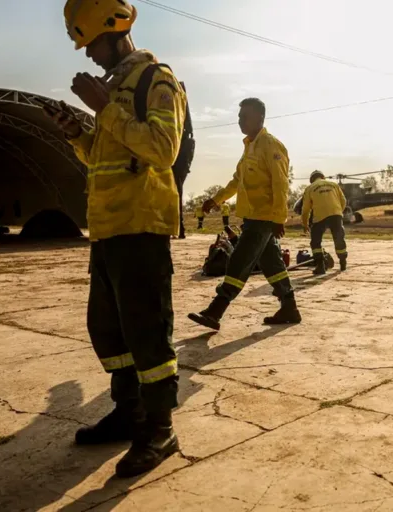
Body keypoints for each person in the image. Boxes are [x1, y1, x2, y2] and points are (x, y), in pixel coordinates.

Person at [52, 0, 183, 478]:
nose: (87, 55)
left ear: (117, 28)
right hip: (107, 230)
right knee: (107, 331)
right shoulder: (113, 89)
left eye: (92, 43)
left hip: (141, 227)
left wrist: (106, 111)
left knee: (148, 334)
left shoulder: (155, 80)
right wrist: (78, 135)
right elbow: (107, 159)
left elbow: (162, 151)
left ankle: (161, 429)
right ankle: (130, 411)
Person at [188, 98, 301, 331]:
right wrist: (215, 200)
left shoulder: (271, 145)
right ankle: (289, 307)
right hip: (253, 218)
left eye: (244, 116)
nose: (239, 121)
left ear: (260, 118)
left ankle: (215, 311)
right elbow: (236, 182)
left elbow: (281, 185)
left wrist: (279, 219)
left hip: (263, 218)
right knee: (272, 264)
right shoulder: (249, 147)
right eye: (239, 117)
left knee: (239, 262)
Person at [302, 170, 348, 274]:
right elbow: (344, 201)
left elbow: (305, 210)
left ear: (312, 180)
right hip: (336, 214)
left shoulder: (310, 188)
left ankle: (320, 267)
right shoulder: (334, 185)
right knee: (339, 238)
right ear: (323, 177)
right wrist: (338, 212)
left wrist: (305, 225)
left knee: (316, 242)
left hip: (320, 217)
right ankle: (343, 263)